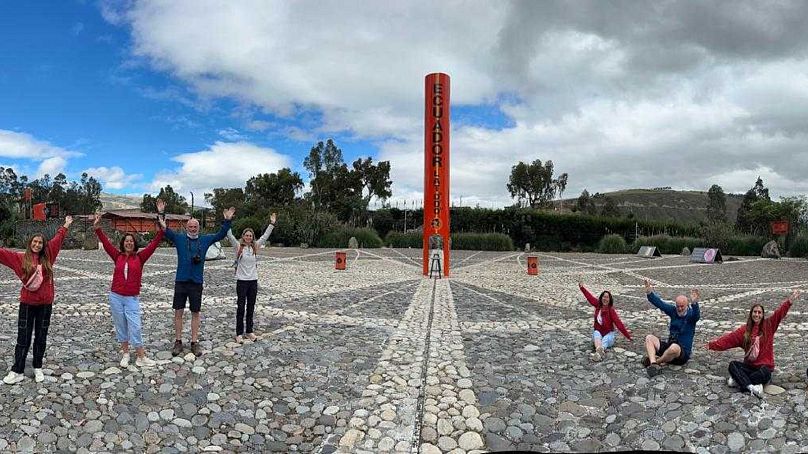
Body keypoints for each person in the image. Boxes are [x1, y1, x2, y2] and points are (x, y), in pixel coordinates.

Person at [0, 216, 72, 384]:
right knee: (23, 337)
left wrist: (66, 225)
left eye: (40, 242)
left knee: (41, 336)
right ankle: (17, 370)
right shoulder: (19, 258)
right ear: (30, 243)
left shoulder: (49, 255)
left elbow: (58, 238)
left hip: (45, 305)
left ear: (43, 245)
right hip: (27, 304)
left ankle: (38, 366)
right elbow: (2, 253)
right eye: (35, 242)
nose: (37, 244)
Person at [158, 199, 234, 357]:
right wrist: (161, 213)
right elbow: (164, 229)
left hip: (196, 282)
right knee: (178, 312)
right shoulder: (179, 239)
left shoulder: (205, 240)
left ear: (198, 228)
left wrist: (227, 221)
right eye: (190, 226)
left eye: (195, 226)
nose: (192, 228)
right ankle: (178, 341)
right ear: (187, 227)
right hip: (181, 280)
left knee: (195, 313)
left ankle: (194, 342)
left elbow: (220, 234)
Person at [94, 213, 165, 367]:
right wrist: (98, 228)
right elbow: (106, 243)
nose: (129, 243)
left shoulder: (140, 257)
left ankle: (141, 356)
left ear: (135, 243)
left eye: (131, 241)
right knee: (121, 326)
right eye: (126, 241)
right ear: (123, 243)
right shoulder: (117, 256)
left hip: (131, 298)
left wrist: (162, 231)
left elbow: (153, 245)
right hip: (116, 297)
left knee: (136, 326)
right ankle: (125, 353)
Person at [706, 290, 800, 399]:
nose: (757, 314)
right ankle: (751, 387)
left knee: (765, 373)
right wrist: (711, 345)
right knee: (733, 365)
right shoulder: (744, 331)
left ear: (762, 315)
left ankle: (739, 381)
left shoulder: (769, 325)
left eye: (759, 312)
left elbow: (779, 313)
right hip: (750, 367)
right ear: (751, 314)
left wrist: (790, 301)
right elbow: (728, 340)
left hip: (763, 368)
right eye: (755, 312)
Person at [226, 213, 276, 343]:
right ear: (243, 236)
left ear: (252, 237)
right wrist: (227, 220)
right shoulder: (238, 247)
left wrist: (271, 224)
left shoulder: (255, 246)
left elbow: (265, 237)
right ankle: (238, 333)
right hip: (241, 282)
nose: (248, 237)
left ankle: (249, 331)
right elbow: (229, 235)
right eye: (246, 235)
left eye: (250, 235)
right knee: (241, 307)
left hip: (253, 281)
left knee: (251, 307)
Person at [642, 279, 701, 377]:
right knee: (649, 338)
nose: (680, 309)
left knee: (674, 348)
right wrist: (649, 292)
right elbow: (660, 303)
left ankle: (658, 362)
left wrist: (695, 303)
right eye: (678, 306)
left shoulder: (691, 316)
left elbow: (697, 315)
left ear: (687, 305)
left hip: (681, 353)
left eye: (682, 306)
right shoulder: (673, 311)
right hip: (669, 346)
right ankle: (653, 363)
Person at [578, 280, 632, 361]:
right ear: (601, 298)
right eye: (604, 296)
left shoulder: (611, 310)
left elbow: (618, 323)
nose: (605, 299)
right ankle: (599, 350)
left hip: (608, 334)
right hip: (599, 333)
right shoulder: (598, 305)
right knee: (596, 333)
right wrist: (582, 288)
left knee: (605, 339)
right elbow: (589, 297)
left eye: (607, 297)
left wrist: (627, 336)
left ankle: (599, 351)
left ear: (610, 300)